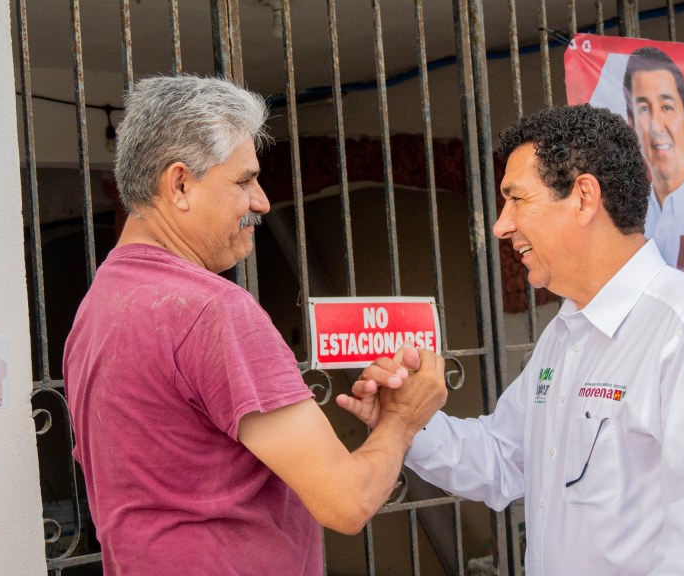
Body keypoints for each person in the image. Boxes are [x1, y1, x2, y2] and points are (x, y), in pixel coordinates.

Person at [339, 104, 684, 575]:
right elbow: (504, 458)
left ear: (584, 197)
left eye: (517, 199)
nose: (501, 225)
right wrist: (407, 420)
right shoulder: (566, 333)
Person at [62, 75, 447, 575]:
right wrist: (401, 419)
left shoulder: (98, 306)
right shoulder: (213, 309)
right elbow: (347, 502)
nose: (262, 201)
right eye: (244, 180)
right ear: (179, 184)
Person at [624, 46, 684, 267]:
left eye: (667, 107)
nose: (656, 126)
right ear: (631, 126)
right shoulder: (629, 214)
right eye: (644, 109)